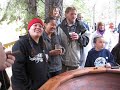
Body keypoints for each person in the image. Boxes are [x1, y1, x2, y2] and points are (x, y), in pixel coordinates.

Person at [11, 18, 49, 90]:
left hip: (42, 85)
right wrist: (29, 87)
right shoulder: (20, 44)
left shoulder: (43, 44)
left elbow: (46, 63)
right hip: (26, 87)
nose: (38, 27)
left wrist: (47, 78)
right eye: (35, 25)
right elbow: (18, 70)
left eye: (40, 26)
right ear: (29, 29)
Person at [57, 6, 89, 72]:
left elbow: (87, 40)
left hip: (76, 61)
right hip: (62, 61)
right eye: (72, 14)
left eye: (75, 14)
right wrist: (59, 48)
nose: (74, 16)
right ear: (66, 14)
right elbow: (56, 41)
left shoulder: (81, 26)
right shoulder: (60, 27)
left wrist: (79, 37)